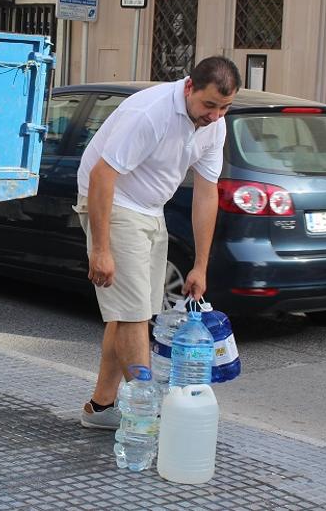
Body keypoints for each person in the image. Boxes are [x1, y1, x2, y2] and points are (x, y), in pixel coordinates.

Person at [74, 56, 241, 429]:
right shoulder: (151, 113)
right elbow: (102, 175)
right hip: (114, 201)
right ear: (189, 87)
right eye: (209, 105)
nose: (215, 116)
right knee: (133, 315)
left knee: (134, 313)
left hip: (150, 208)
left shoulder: (214, 126)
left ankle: (101, 407)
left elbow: (206, 193)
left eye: (225, 107)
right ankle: (145, 414)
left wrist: (200, 266)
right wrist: (101, 249)